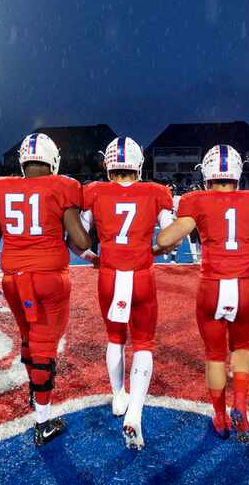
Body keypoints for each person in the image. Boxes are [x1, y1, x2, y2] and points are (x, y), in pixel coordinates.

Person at [157, 145, 249, 443]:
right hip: (242, 288)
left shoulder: (197, 200)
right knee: (241, 350)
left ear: (206, 173)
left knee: (214, 356)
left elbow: (167, 238)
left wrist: (162, 242)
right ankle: (240, 406)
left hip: (211, 288)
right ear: (237, 173)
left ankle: (219, 415)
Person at [0, 133, 91, 446]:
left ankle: (34, 388)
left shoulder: (0, 189)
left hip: (12, 278)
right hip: (47, 278)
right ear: (52, 160)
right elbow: (81, 241)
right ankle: (42, 421)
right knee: (44, 344)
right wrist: (84, 223)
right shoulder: (62, 187)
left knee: (29, 337)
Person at [76, 137, 174, 450]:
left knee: (115, 337)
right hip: (142, 275)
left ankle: (119, 395)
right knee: (144, 342)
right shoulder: (157, 192)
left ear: (109, 166)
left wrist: (94, 257)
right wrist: (155, 249)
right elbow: (170, 238)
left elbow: (76, 239)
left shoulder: (93, 191)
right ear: (138, 165)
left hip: (109, 274)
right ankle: (135, 412)